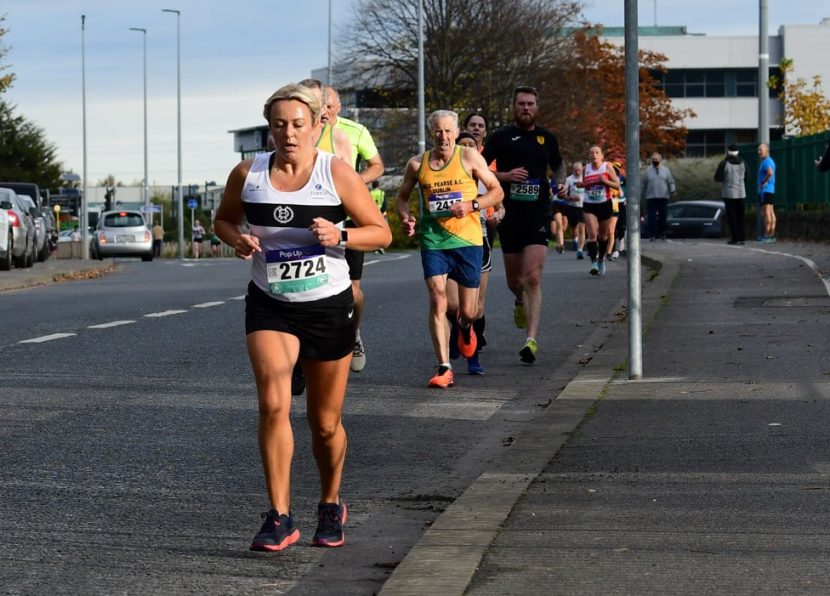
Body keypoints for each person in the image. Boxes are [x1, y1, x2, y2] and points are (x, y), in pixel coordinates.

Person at [213, 83, 391, 552]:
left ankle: (330, 503)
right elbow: (223, 220)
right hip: (270, 301)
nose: (288, 134)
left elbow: (381, 232)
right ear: (268, 129)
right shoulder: (247, 173)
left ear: (317, 125)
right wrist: (236, 239)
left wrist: (341, 234)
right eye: (278, 125)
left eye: (297, 125)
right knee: (273, 403)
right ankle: (279, 515)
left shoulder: (335, 174)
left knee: (324, 424)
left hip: (327, 303)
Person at [395, 111, 503, 388]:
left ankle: (464, 329)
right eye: (437, 132)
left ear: (456, 133)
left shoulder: (468, 158)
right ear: (431, 134)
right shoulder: (417, 164)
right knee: (439, 300)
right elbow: (402, 198)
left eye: (447, 131)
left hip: (467, 241)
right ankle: (444, 367)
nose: (443, 137)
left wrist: (472, 205)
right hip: (434, 241)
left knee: (468, 311)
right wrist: (406, 218)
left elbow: (496, 191)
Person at [481, 85, 565, 364]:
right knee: (515, 281)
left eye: (530, 104)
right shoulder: (501, 138)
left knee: (533, 277)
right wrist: (505, 175)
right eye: (521, 104)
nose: (526, 108)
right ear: (514, 107)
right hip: (509, 214)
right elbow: (480, 168)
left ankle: (530, 339)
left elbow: (559, 165)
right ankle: (519, 299)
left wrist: (561, 182)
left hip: (539, 213)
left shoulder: (547, 138)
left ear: (537, 107)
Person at [323, 86, 386, 374]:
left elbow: (377, 166)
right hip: (316, 218)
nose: (323, 111)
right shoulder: (306, 134)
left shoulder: (354, 131)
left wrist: (355, 184)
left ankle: (355, 334)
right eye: (318, 105)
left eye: (328, 106)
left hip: (348, 217)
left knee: (353, 290)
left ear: (338, 108)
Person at [446, 131, 505, 375]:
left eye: (473, 144)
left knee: (476, 308)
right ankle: (460, 328)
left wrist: (498, 215)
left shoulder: (483, 174)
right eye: (464, 145)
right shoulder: (445, 173)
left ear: (479, 148)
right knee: (451, 304)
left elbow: (500, 205)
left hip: (478, 241)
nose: (469, 148)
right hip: (448, 241)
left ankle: (473, 353)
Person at [577, 146, 621, 275]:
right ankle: (594, 263)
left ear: (602, 156)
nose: (594, 155)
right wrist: (581, 185)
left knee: (603, 236)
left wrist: (606, 181)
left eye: (597, 153)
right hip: (589, 205)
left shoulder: (607, 167)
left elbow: (617, 185)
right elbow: (585, 184)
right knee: (592, 234)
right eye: (591, 153)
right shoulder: (586, 169)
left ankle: (601, 259)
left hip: (604, 204)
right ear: (589, 156)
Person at [715, 144, 747, 245]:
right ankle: (742, 238)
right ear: (737, 152)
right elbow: (747, 177)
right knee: (740, 216)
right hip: (741, 193)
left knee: (732, 216)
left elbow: (718, 178)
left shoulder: (724, 163)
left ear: (728, 151)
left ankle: (735, 238)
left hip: (729, 194)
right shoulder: (744, 163)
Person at [641, 152, 676, 240]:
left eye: (656, 159)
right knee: (651, 217)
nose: (654, 161)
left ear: (660, 160)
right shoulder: (648, 171)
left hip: (663, 197)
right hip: (651, 197)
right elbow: (642, 184)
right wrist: (639, 195)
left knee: (663, 216)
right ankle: (653, 234)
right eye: (653, 160)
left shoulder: (666, 170)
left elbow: (671, 181)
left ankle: (662, 233)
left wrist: (673, 190)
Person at [564, 161, 586, 260]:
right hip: (572, 206)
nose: (577, 172)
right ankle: (575, 239)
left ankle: (580, 250)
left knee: (582, 228)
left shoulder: (585, 178)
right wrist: (571, 198)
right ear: (573, 170)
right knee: (574, 227)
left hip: (583, 207)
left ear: (582, 170)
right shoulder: (568, 180)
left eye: (579, 170)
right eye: (576, 170)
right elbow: (563, 195)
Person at [757, 143, 777, 243]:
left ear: (767, 150)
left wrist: (764, 182)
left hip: (765, 190)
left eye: (761, 150)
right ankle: (772, 235)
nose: (759, 152)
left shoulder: (766, 162)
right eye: (758, 150)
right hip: (771, 190)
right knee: (771, 212)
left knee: (766, 213)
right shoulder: (770, 161)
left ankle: (767, 235)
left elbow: (770, 173)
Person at [369, 181, 387, 254]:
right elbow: (384, 204)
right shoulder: (382, 193)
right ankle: (381, 246)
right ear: (378, 185)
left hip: (372, 213)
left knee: (374, 230)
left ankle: (375, 247)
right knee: (383, 231)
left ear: (372, 186)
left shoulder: (370, 193)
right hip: (382, 214)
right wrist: (382, 212)